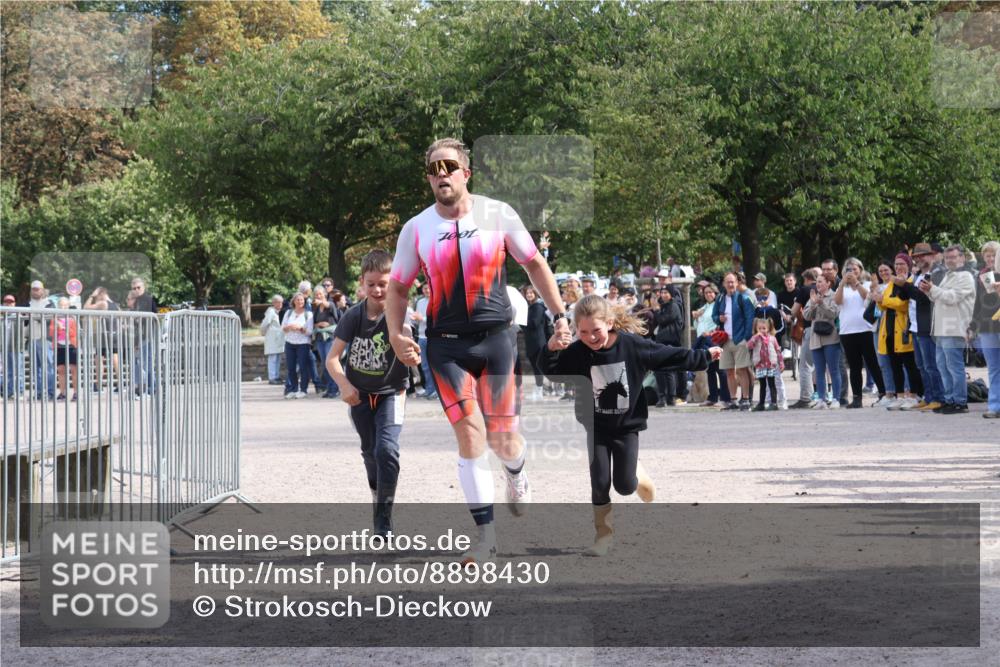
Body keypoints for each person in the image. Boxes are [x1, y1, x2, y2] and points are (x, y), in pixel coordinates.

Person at [386, 137, 570, 566]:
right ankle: (486, 535)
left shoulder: (498, 214)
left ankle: (517, 472)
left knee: (504, 439)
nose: (440, 175)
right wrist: (397, 334)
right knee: (470, 433)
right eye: (432, 169)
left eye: (448, 166)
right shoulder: (417, 228)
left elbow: (534, 264)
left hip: (496, 340)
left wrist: (559, 313)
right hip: (446, 346)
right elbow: (397, 287)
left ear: (466, 172)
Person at [540, 294, 720, 556]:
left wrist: (703, 356)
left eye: (596, 331)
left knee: (624, 485)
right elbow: (552, 371)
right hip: (597, 428)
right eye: (583, 332)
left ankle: (637, 472)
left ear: (610, 323)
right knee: (600, 482)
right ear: (576, 330)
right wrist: (550, 349)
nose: (591, 337)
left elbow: (668, 356)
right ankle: (603, 536)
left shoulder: (632, 346)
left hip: (626, 427)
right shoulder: (578, 352)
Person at [327, 250, 411, 536]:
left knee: (387, 449)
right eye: (371, 283)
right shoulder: (353, 316)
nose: (377, 289)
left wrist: (413, 356)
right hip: (360, 396)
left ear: (393, 282)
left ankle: (384, 518)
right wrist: (344, 384)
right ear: (362, 282)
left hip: (391, 393)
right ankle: (377, 498)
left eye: (383, 283)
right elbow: (332, 358)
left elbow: (410, 349)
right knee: (370, 453)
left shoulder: (398, 314)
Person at [922, 245, 976, 414]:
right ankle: (950, 399)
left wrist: (933, 289)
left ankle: (960, 402)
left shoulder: (965, 276)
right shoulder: (947, 276)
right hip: (941, 328)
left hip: (954, 327)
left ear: (962, 258)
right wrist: (928, 291)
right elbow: (939, 298)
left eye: (953, 257)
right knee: (943, 366)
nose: (950, 260)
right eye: (947, 258)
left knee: (954, 367)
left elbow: (951, 297)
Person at [872, 254, 924, 410]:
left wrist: (883, 300)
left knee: (909, 364)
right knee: (895, 364)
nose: (899, 266)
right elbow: (883, 305)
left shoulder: (909, 282)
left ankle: (914, 395)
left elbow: (903, 304)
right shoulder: (892, 283)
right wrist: (879, 300)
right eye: (897, 264)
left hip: (903, 329)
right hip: (888, 328)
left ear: (908, 265)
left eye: (902, 263)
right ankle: (900, 395)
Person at [834, 258, 886, 408]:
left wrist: (856, 283)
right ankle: (857, 398)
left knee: (872, 363)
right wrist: (843, 283)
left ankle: (883, 393)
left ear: (860, 270)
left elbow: (867, 298)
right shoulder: (842, 286)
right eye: (848, 269)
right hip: (847, 331)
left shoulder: (868, 284)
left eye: (854, 268)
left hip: (866, 329)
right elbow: (837, 301)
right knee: (854, 366)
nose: (851, 271)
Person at [898, 244, 945, 411]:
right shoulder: (917, 274)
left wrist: (906, 284)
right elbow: (904, 296)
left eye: (923, 256)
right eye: (916, 257)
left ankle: (938, 398)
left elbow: (922, 297)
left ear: (932, 256)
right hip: (915, 326)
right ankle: (928, 396)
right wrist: (902, 282)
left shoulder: (936, 273)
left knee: (931, 365)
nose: (919, 259)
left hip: (928, 325)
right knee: (921, 366)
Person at [712, 272, 757, 411]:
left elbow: (750, 319)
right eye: (728, 282)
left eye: (732, 282)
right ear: (724, 284)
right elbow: (714, 315)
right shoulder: (720, 299)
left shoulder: (744, 298)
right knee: (729, 372)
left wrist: (746, 338)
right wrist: (718, 319)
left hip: (740, 340)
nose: (730, 284)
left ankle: (745, 399)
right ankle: (733, 400)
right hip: (725, 341)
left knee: (742, 370)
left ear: (737, 283)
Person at [803, 274, 842, 409]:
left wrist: (822, 304)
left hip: (831, 338)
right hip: (815, 339)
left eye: (820, 282)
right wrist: (813, 303)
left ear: (828, 283)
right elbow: (806, 316)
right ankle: (821, 399)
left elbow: (834, 313)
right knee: (819, 371)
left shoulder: (834, 296)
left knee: (833, 370)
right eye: (817, 282)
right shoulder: (813, 297)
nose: (817, 285)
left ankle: (837, 399)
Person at [971, 243, 1000, 418]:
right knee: (993, 367)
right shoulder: (982, 276)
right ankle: (995, 406)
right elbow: (979, 303)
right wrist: (972, 326)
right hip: (987, 326)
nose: (990, 258)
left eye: (994, 255)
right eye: (987, 255)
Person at [692, 284, 729, 407]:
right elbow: (698, 325)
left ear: (716, 293)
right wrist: (696, 317)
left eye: (711, 292)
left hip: (714, 339)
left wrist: (712, 332)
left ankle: (725, 396)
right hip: (703, 340)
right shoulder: (704, 307)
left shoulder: (718, 306)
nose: (708, 294)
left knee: (720, 369)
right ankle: (712, 397)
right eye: (706, 292)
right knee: (710, 370)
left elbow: (719, 322)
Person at [788, 268, 819, 408]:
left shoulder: (804, 290)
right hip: (827, 328)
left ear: (806, 279)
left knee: (805, 365)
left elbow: (794, 311)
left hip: (810, 328)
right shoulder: (823, 288)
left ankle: (806, 397)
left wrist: (787, 317)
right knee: (821, 364)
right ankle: (825, 395)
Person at [128, 277, 158, 395]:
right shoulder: (136, 301)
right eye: (134, 288)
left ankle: (153, 388)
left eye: (138, 287)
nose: (136, 290)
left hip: (148, 336)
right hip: (139, 337)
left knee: (148, 363)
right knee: (141, 364)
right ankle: (146, 387)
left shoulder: (148, 299)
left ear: (143, 287)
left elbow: (154, 317)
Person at [746, 317, 783, 411]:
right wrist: (755, 337)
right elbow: (749, 346)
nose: (762, 330)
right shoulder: (755, 338)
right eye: (759, 328)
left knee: (772, 383)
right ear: (756, 329)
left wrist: (781, 362)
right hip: (760, 365)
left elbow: (778, 350)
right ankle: (761, 404)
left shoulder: (772, 339)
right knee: (762, 385)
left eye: (764, 328)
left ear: (768, 328)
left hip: (771, 365)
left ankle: (774, 403)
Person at [26, 280, 56, 399]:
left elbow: (50, 318)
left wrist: (36, 316)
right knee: (35, 368)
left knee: (48, 367)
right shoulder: (28, 304)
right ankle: (38, 393)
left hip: (45, 339)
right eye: (33, 289)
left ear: (42, 290)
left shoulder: (49, 303)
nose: (35, 291)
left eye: (37, 289)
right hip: (32, 339)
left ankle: (50, 392)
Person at [281, 293, 314, 399]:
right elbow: (283, 328)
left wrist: (300, 328)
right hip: (290, 343)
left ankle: (303, 389)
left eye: (302, 300)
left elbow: (309, 331)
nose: (300, 302)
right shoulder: (288, 312)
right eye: (298, 300)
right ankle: (293, 389)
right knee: (291, 367)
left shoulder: (308, 314)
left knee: (303, 367)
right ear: (294, 301)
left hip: (303, 344)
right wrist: (290, 327)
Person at [522, 285, 550, 401]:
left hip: (538, 342)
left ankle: (540, 391)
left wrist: (521, 322)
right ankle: (540, 390)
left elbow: (534, 323)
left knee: (538, 367)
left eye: (531, 293)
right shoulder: (531, 307)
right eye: (527, 293)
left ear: (535, 294)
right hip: (532, 342)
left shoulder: (538, 307)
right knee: (536, 367)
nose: (529, 295)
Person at [412, 283, 438, 400]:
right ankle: (429, 389)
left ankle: (436, 391)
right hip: (421, 337)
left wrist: (422, 318)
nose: (427, 290)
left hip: (433, 337)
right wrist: (415, 319)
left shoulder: (436, 300)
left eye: (428, 287)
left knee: (435, 365)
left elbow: (436, 318)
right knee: (425, 366)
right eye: (424, 288)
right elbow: (417, 320)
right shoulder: (420, 302)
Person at [312, 287, 339, 398]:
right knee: (325, 364)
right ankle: (329, 389)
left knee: (331, 363)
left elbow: (328, 306)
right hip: (320, 338)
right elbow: (314, 322)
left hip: (330, 337)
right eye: (316, 294)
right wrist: (318, 325)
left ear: (325, 294)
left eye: (320, 294)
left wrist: (321, 302)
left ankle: (334, 389)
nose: (318, 296)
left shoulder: (330, 304)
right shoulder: (317, 308)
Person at [50, 297, 79, 401]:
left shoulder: (72, 318)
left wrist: (65, 328)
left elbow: (74, 333)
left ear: (68, 306)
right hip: (59, 346)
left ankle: (76, 393)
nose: (63, 307)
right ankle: (62, 393)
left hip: (71, 346)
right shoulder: (55, 318)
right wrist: (57, 327)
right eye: (61, 305)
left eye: (65, 305)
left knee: (73, 369)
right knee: (61, 370)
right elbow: (51, 332)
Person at [2, 294, 25, 397]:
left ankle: (19, 391)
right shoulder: (2, 317)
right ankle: (10, 391)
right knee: (8, 371)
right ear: (3, 303)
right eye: (6, 302)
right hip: (4, 348)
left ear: (14, 304)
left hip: (15, 348)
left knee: (18, 371)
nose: (8, 304)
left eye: (11, 302)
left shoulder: (18, 315)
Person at [260, 295, 285, 385]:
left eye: (281, 302)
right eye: (278, 302)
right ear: (273, 303)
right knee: (273, 358)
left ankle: (276, 376)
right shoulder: (271, 312)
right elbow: (264, 324)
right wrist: (263, 333)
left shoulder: (279, 312)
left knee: (278, 358)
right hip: (272, 339)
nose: (280, 304)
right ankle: (272, 377)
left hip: (278, 339)